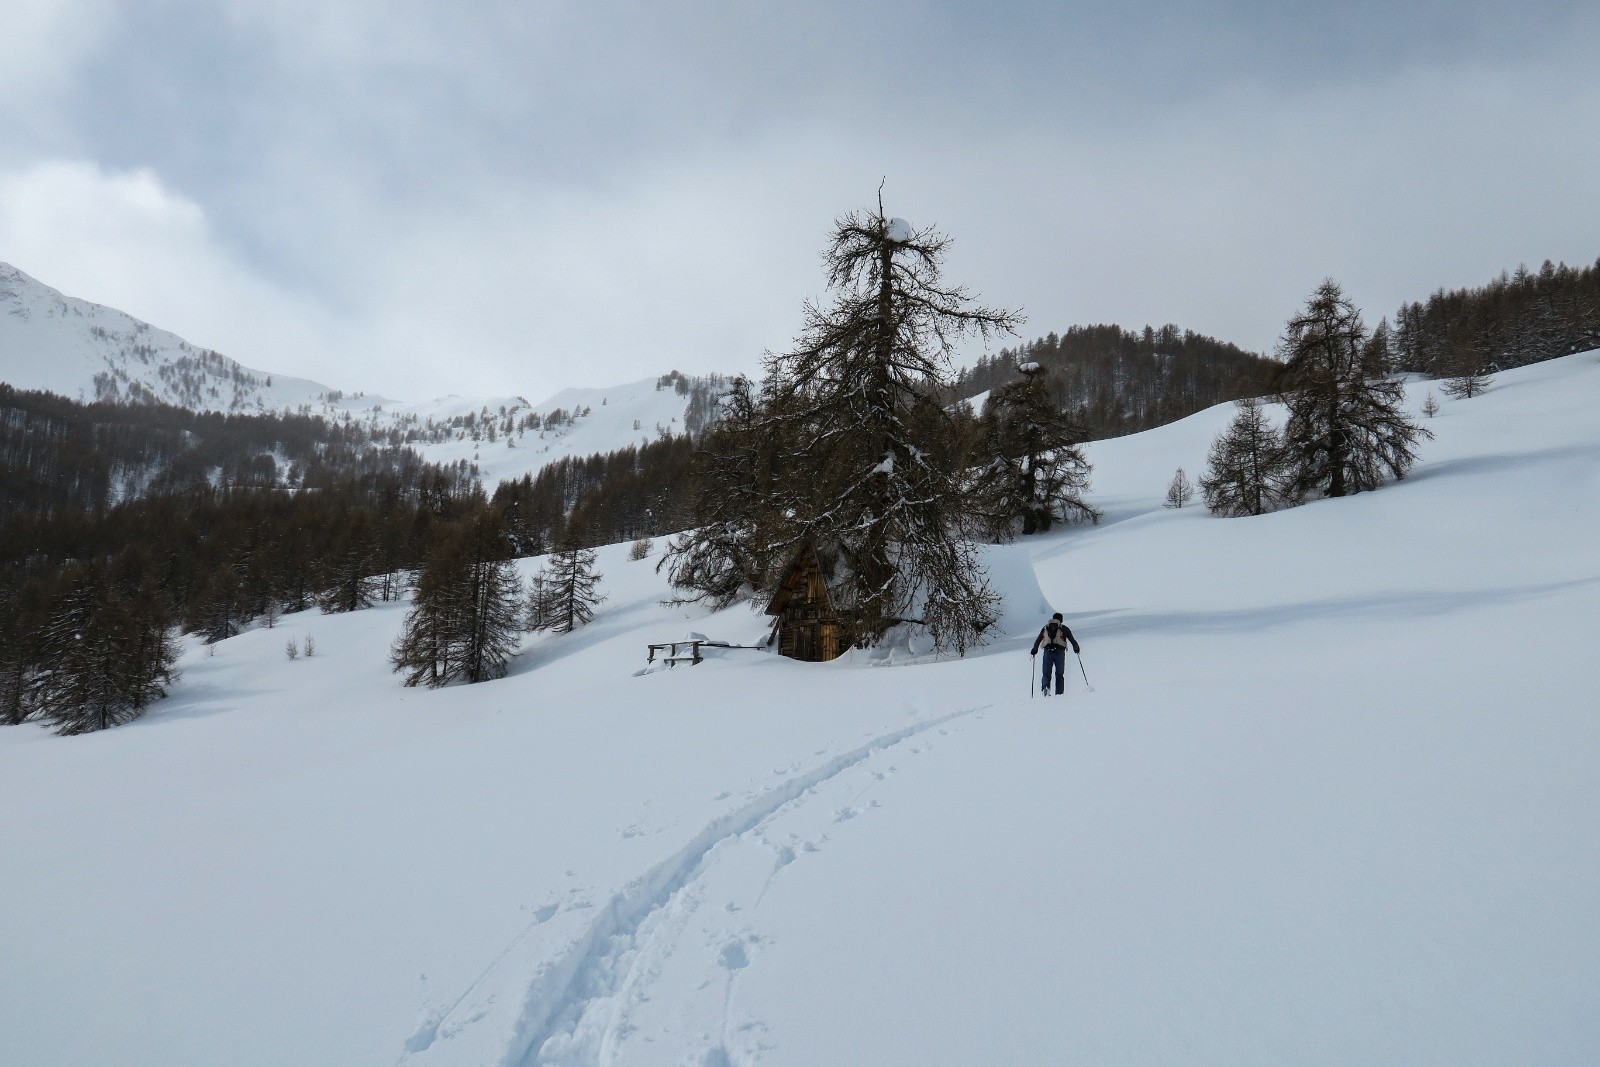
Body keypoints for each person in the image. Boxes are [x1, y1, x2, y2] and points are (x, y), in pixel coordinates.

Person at [1030, 612, 1080, 696]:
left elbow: (1038, 640)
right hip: (1060, 653)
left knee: (1046, 673)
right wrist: (1076, 648)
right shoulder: (1064, 628)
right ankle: (1059, 694)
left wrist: (1034, 650)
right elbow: (1072, 640)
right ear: (1061, 620)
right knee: (1059, 674)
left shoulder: (1045, 628)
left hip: (1047, 652)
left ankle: (1046, 692)